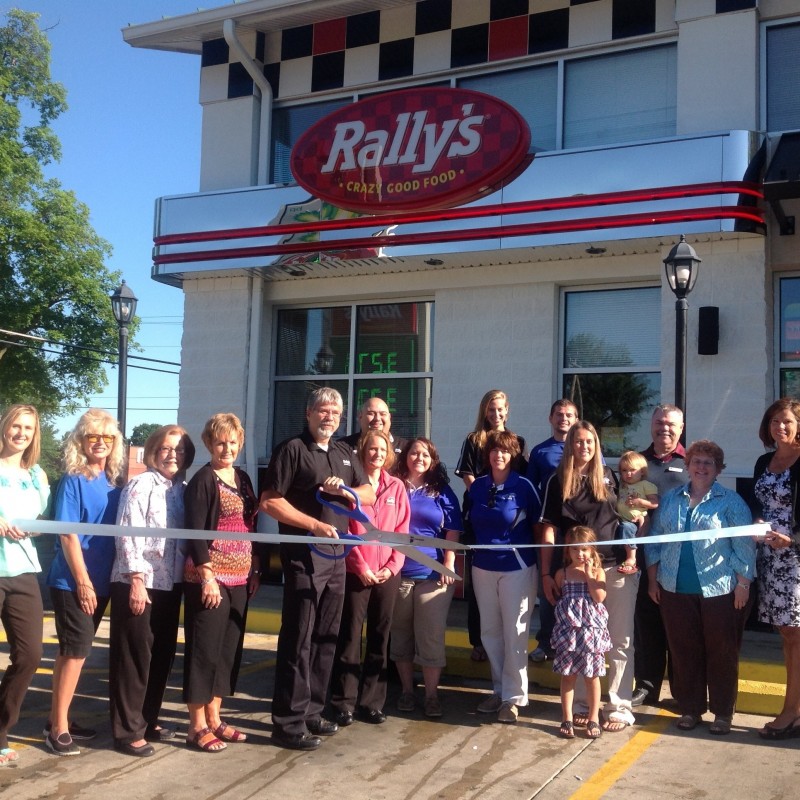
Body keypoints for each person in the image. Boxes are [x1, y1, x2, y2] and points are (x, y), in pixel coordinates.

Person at [261, 387, 374, 751]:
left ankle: (311, 711)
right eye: (323, 411)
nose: (329, 417)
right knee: (299, 638)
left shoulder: (343, 452)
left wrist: (347, 493)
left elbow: (369, 491)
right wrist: (312, 525)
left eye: (335, 413)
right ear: (309, 413)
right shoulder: (291, 449)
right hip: (303, 556)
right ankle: (287, 723)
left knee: (326, 638)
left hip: (336, 555)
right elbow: (270, 502)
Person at [646, 439, 755, 735]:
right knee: (683, 651)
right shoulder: (671, 499)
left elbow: (744, 546)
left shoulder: (731, 502)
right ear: (688, 465)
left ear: (718, 469)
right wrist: (653, 579)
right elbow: (654, 541)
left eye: (709, 463)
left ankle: (722, 712)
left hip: (720, 590)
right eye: (697, 461)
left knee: (722, 652)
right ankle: (690, 708)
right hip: (674, 588)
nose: (702, 467)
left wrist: (743, 584)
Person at [540, 420, 635, 732]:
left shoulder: (609, 477)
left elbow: (629, 516)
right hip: (575, 572)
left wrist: (633, 552)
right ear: (570, 445)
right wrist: (547, 572)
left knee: (619, 640)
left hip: (613, 568)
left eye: (590, 442)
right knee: (579, 641)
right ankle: (582, 706)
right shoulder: (557, 481)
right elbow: (550, 530)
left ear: (596, 445)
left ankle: (619, 707)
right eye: (578, 442)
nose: (584, 447)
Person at [108, 425, 196, 757]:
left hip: (170, 583)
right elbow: (128, 532)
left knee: (161, 655)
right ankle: (127, 731)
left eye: (180, 450)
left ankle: (148, 718)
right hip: (139, 581)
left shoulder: (181, 489)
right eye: (166, 449)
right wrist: (135, 580)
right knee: (134, 658)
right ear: (153, 451)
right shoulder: (141, 485)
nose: (174, 455)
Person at [45, 409, 124, 756]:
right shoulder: (73, 480)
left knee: (71, 652)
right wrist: (83, 581)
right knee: (76, 652)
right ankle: (58, 730)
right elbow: (68, 535)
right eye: (94, 436)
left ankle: (57, 719)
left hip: (101, 582)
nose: (101, 443)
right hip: (72, 581)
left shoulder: (112, 482)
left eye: (108, 437)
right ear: (82, 440)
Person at [182, 413, 260, 753]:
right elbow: (195, 534)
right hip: (210, 579)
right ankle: (196, 725)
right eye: (219, 442)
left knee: (227, 652)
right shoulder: (204, 479)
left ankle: (215, 717)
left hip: (240, 577)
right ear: (209, 444)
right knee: (203, 651)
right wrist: (207, 576)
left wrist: (255, 568)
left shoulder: (242, 478)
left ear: (239, 443)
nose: (226, 448)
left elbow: (249, 525)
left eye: (232, 441)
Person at [330, 429, 409, 726]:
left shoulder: (397, 487)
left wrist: (392, 566)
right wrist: (360, 566)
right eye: (372, 448)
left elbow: (402, 530)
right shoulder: (354, 486)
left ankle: (372, 701)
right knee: (349, 637)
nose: (377, 453)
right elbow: (346, 529)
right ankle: (343, 703)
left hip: (388, 572)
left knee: (380, 637)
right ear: (363, 451)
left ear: (389, 453)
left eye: (382, 449)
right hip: (356, 571)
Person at [468, 430, 538, 724]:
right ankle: (498, 689)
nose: (499, 455)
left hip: (517, 567)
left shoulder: (523, 486)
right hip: (482, 566)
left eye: (505, 451)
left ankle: (513, 697)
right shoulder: (478, 487)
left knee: (514, 633)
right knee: (490, 633)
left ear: (513, 456)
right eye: (494, 451)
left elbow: (538, 525)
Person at [392, 437, 461, 718]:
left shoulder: (441, 491)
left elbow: (453, 530)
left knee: (431, 637)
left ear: (433, 460)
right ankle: (408, 692)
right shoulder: (394, 486)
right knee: (401, 637)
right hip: (398, 573)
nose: (419, 458)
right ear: (405, 457)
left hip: (433, 576)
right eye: (414, 453)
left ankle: (432, 696)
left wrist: (449, 561)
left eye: (425, 454)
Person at [455, 389, 526, 662]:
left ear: (507, 411)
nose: (495, 414)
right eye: (490, 409)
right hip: (480, 517)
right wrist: (488, 500)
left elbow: (520, 478)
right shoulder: (473, 440)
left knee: (509, 584)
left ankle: (508, 640)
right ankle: (479, 642)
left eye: (500, 409)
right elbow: (469, 476)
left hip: (510, 521)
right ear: (484, 411)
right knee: (480, 582)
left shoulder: (516, 441)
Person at [0, 404, 50, 767]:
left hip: (22, 571)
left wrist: (33, 527)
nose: (21, 433)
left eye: (28, 428)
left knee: (31, 654)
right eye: (16, 425)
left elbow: (39, 522)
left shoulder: (37, 475)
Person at [749, 398, 800, 739]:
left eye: (786, 422)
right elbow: (759, 504)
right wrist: (755, 524)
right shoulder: (764, 461)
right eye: (773, 422)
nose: (779, 427)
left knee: (796, 636)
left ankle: (791, 713)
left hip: (795, 559)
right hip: (769, 559)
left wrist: (792, 540)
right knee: (787, 635)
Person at [632, 404, 686, 707]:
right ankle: (647, 686)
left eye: (671, 424)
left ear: (681, 428)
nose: (664, 428)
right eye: (659, 422)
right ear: (651, 424)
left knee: (679, 626)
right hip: (644, 556)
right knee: (647, 624)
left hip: (681, 559)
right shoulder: (639, 462)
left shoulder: (691, 461)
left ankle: (682, 690)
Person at [527, 399, 578, 663]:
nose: (564, 418)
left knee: (579, 586)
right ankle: (546, 642)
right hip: (551, 530)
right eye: (559, 414)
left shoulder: (585, 449)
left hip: (580, 532)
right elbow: (530, 490)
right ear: (550, 418)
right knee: (549, 588)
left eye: (569, 415)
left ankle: (575, 641)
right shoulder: (539, 452)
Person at [552, 526, 612, 741]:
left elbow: (599, 598)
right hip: (570, 634)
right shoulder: (563, 574)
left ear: (592, 550)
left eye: (584, 549)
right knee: (568, 676)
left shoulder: (598, 572)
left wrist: (589, 576)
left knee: (591, 676)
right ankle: (567, 717)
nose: (580, 554)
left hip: (590, 634)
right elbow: (562, 599)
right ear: (568, 551)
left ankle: (593, 717)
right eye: (575, 550)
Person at [616, 450, 659, 575]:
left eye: (632, 470)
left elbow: (655, 503)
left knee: (627, 528)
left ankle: (631, 557)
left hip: (635, 521)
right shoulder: (621, 486)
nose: (628, 474)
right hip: (622, 519)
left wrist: (640, 501)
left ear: (642, 471)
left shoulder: (646, 485)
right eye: (624, 470)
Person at [339, 396, 408, 462]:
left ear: (389, 417)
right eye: (371, 414)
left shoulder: (405, 448)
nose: (377, 419)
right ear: (360, 417)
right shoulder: (343, 448)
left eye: (383, 414)